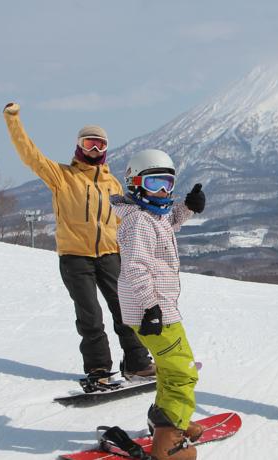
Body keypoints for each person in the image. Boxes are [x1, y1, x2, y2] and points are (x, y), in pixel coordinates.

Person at [2, 102, 154, 381]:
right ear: (79, 146)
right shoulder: (62, 176)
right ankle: (98, 368)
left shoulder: (114, 185)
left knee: (125, 311)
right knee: (90, 316)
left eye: (99, 144)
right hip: (75, 257)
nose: (94, 150)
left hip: (110, 255)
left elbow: (125, 224)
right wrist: (13, 120)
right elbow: (30, 156)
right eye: (89, 143)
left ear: (106, 148)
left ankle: (137, 362)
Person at [111, 149, 207, 460]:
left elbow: (167, 224)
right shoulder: (138, 222)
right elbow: (136, 266)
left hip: (158, 308)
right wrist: (150, 306)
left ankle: (166, 417)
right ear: (136, 184)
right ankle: (169, 440)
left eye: (168, 183)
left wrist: (187, 209)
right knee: (182, 372)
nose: (163, 191)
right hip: (152, 310)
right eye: (155, 184)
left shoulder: (152, 215)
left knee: (169, 369)